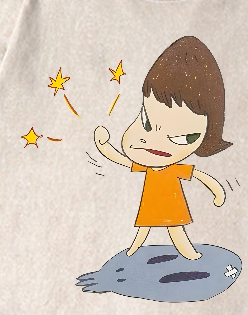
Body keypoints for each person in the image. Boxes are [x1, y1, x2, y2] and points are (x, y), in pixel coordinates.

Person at [93, 36, 232, 260]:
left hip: (172, 207)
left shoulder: (172, 169)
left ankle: (189, 254)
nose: (156, 142)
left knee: (175, 230)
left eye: (182, 137)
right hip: (150, 204)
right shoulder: (150, 166)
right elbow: (122, 160)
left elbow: (199, 175)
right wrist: (104, 146)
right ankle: (133, 250)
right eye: (146, 123)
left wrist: (217, 191)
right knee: (143, 228)